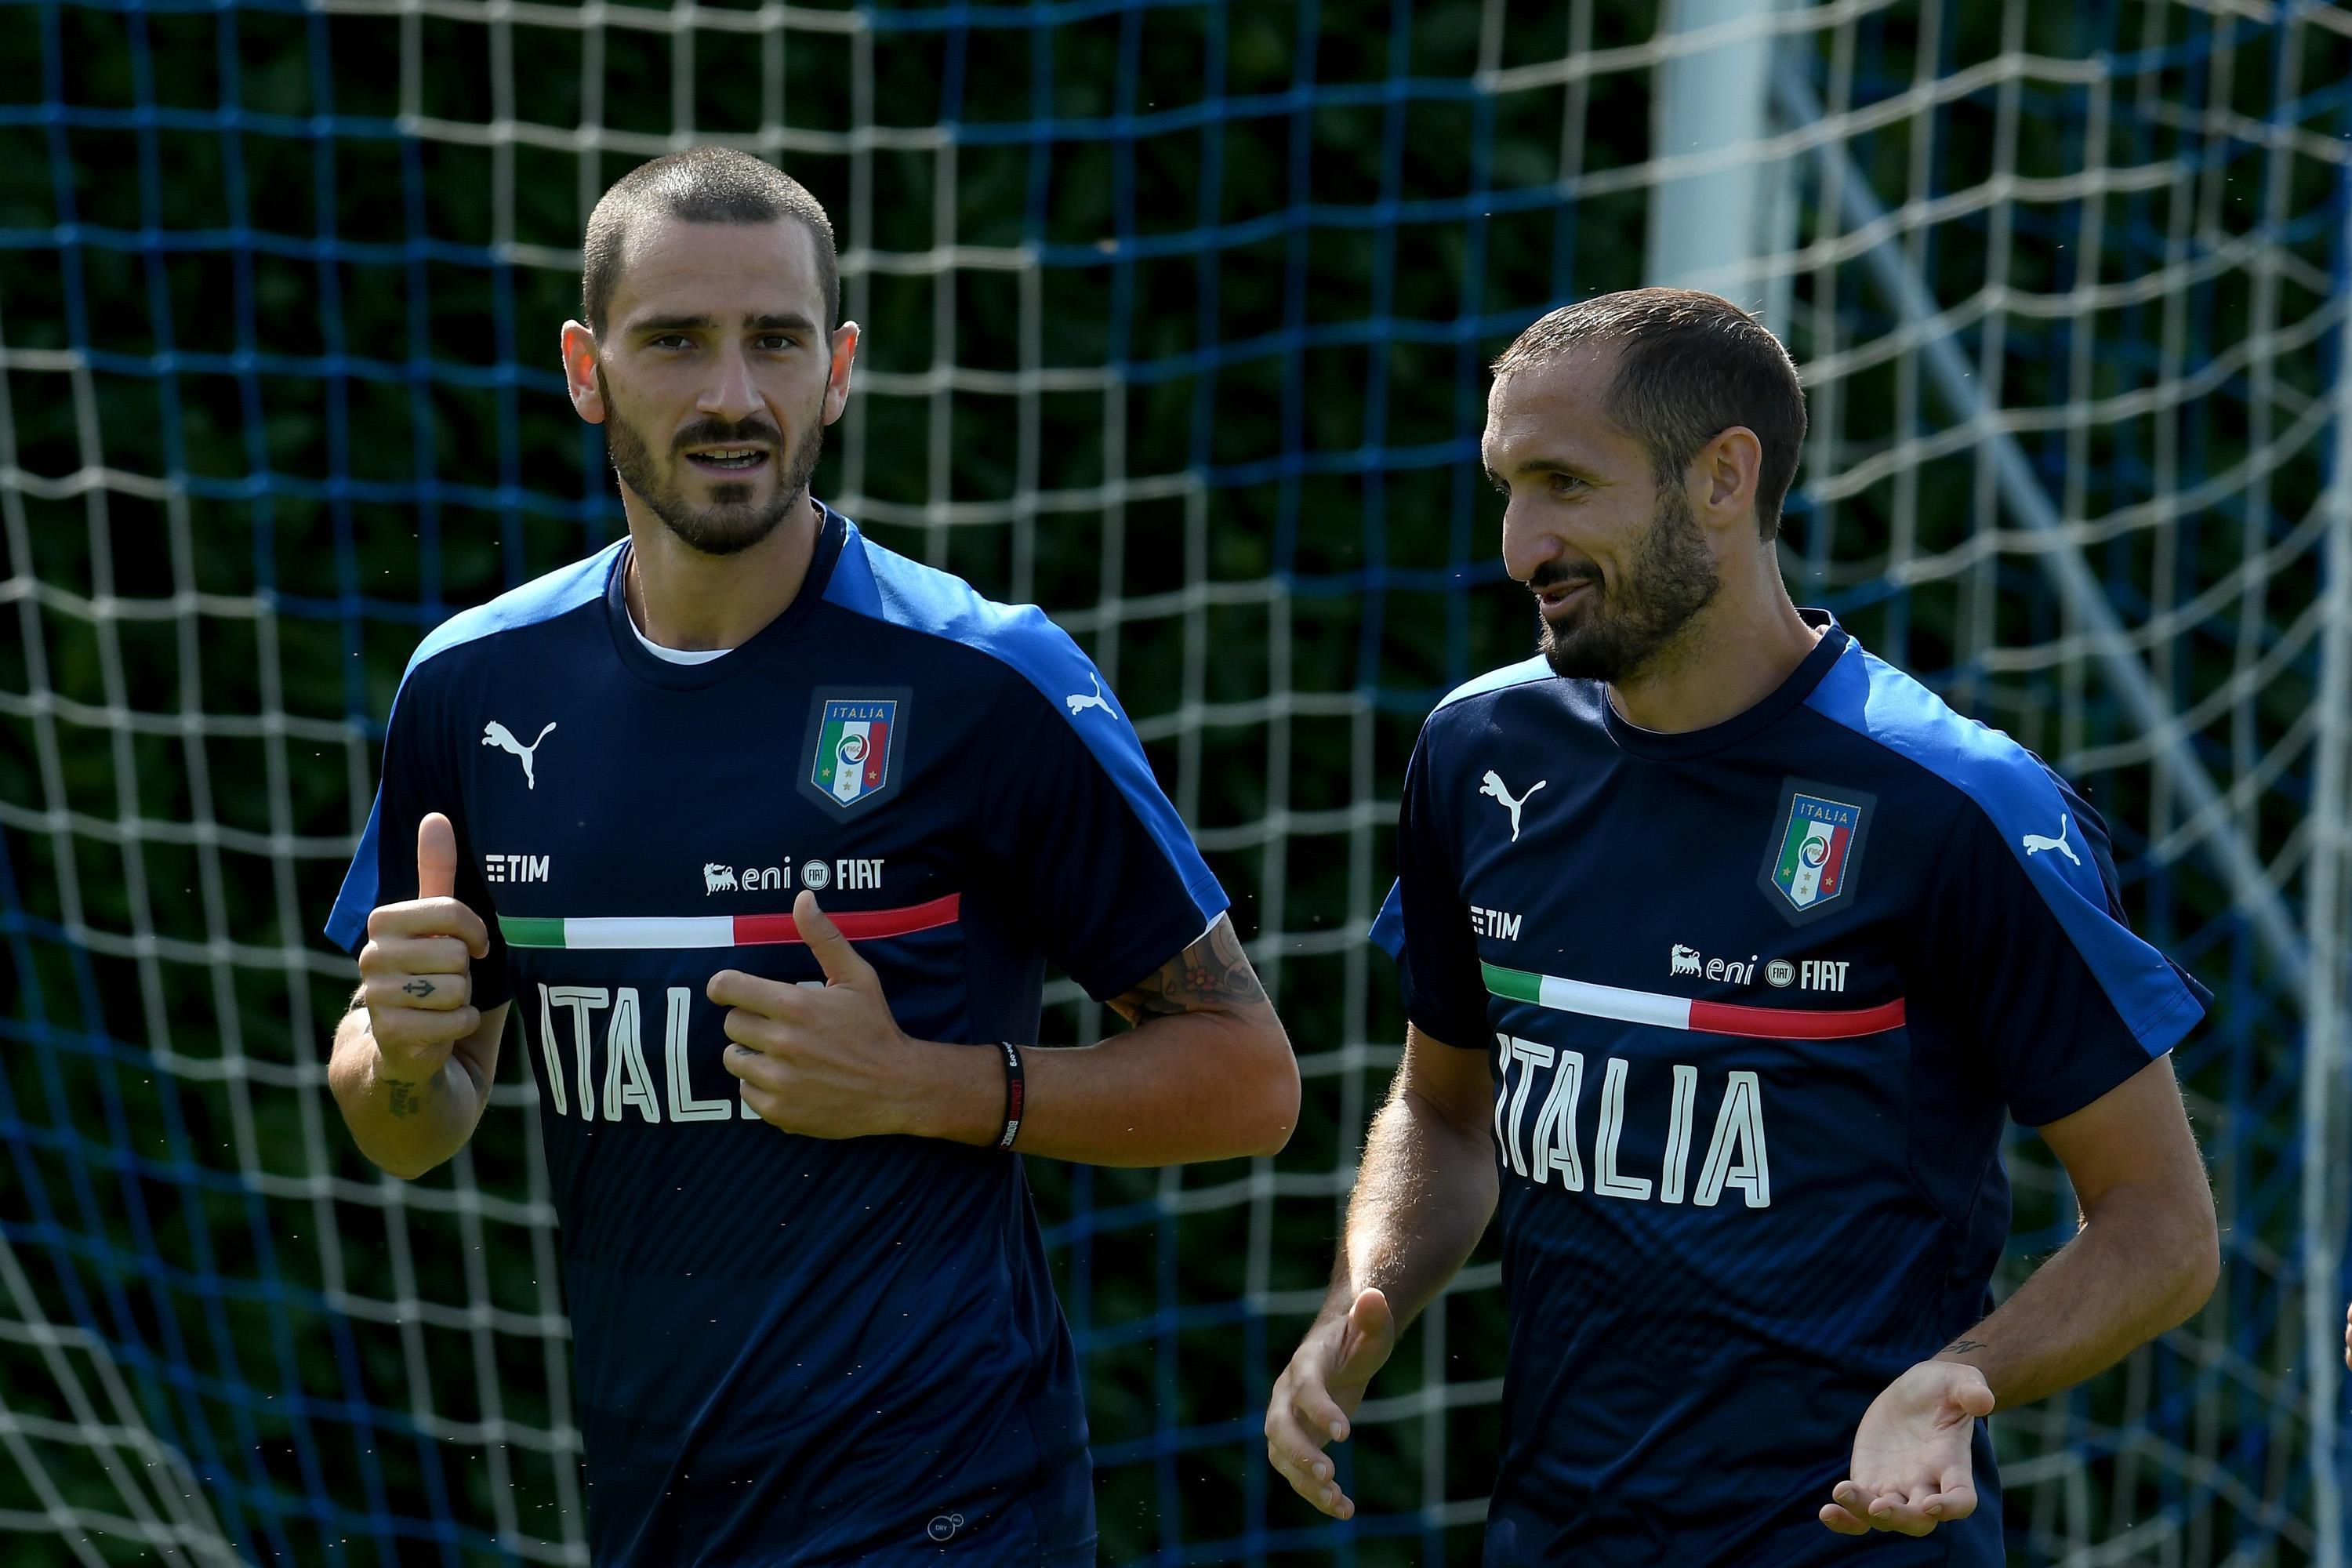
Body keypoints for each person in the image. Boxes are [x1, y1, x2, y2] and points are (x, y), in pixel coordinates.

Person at [324, 147, 1298, 1567]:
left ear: (837, 368)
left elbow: (1250, 1081)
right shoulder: (471, 691)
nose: (733, 395)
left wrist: (927, 1088)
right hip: (659, 1512)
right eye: (676, 343)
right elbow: (409, 1123)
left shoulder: (985, 677)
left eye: (775, 341)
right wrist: (400, 1057)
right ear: (588, 370)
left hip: (952, 1507)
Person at [1262, 289, 2217, 1563]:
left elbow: (2160, 1225)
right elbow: (1444, 1106)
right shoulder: (1478, 753)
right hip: (1553, 1534)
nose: (1517, 545)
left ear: (1724, 477)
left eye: (1564, 484)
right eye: (1507, 487)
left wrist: (1960, 1380)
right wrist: (1363, 1291)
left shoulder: (1954, 804)